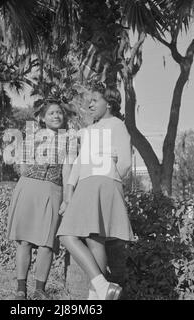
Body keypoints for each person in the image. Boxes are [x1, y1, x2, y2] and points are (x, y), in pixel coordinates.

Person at [57, 85, 134, 300]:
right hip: (86, 184)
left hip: (104, 183)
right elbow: (79, 163)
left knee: (88, 237)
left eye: (95, 100)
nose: (89, 104)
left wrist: (108, 176)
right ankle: (102, 289)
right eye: (88, 101)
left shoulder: (117, 124)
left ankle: (97, 294)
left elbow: (125, 162)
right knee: (82, 237)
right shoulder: (89, 130)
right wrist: (70, 190)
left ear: (109, 103)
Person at [7, 100, 73, 300]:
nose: (56, 116)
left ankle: (40, 290)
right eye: (51, 113)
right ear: (43, 118)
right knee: (25, 241)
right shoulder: (32, 137)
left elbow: (68, 169)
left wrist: (67, 199)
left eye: (59, 113)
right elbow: (22, 165)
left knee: (47, 244)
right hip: (29, 188)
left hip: (53, 191)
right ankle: (21, 289)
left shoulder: (69, 140)